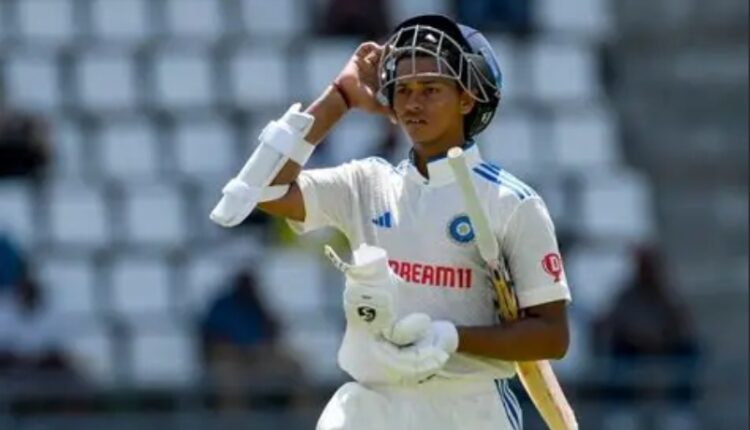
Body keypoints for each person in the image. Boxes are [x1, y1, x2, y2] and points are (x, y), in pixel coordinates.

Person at [210, 14, 572, 430]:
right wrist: (339, 98)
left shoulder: (511, 203)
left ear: (467, 99)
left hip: (470, 410)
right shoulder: (366, 183)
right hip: (373, 409)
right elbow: (265, 190)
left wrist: (452, 338)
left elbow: (552, 337)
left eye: (431, 89)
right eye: (403, 89)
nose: (413, 103)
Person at [593, 246, 700, 430]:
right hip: (633, 350)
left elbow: (682, 325)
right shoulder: (626, 295)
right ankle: (621, 412)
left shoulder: (667, 295)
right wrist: (641, 337)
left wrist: (660, 338)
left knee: (690, 349)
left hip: (665, 349)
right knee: (617, 351)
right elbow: (615, 323)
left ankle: (680, 410)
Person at [200, 270, 306, 413]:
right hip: (230, 361)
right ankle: (235, 421)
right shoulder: (221, 306)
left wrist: (263, 346)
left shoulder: (257, 305)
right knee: (231, 383)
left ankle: (304, 419)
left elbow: (273, 333)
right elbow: (212, 342)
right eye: (245, 283)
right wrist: (240, 352)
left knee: (295, 367)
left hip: (259, 359)